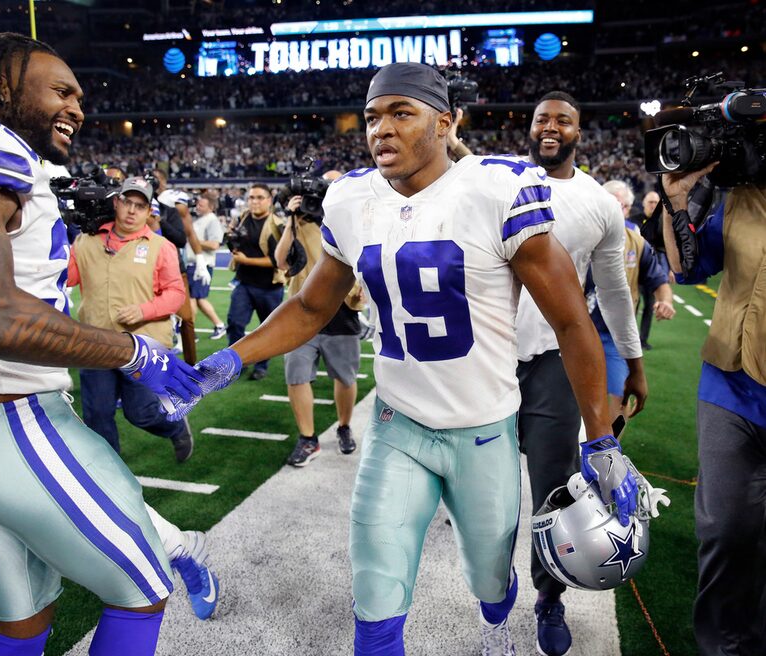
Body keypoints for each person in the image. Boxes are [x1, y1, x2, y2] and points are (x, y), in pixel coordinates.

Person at [189, 63, 639, 656]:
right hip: (397, 423)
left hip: (483, 428)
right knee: (375, 580)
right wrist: (228, 359)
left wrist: (600, 439)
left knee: (488, 575)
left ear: (445, 122)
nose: (382, 128)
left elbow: (572, 322)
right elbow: (311, 306)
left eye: (402, 113)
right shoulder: (352, 198)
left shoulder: (496, 189)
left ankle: (497, 626)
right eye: (373, 116)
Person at [0, 33, 214, 654]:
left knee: (20, 620)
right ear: (1, 87)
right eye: (61, 91)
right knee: (143, 587)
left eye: (80, 97)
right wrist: (133, 351)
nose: (78, 109)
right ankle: (185, 550)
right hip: (7, 418)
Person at [453, 93, 649, 655]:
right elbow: (459, 160)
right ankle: (495, 594)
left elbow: (614, 293)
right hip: (487, 359)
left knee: (554, 488)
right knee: (486, 494)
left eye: (563, 120)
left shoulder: (599, 203)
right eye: (542, 118)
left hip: (552, 363)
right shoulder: (498, 179)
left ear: (579, 132)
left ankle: (548, 598)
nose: (551, 127)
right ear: (531, 126)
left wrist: (634, 364)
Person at [660, 164, 766, 656]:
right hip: (730, 383)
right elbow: (688, 268)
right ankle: (722, 647)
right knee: (724, 530)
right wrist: (677, 201)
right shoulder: (743, 197)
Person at [68, 177, 195, 462]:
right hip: (95, 341)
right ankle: (109, 472)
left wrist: (144, 310)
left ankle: (175, 427)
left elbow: (176, 294)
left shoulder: (161, 246)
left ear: (149, 211)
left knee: (141, 412)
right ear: (116, 202)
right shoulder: (86, 241)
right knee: (97, 416)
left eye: (140, 205)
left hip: (142, 343)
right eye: (127, 202)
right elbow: (67, 277)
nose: (132, 211)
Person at [273, 172, 364, 466]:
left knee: (345, 377)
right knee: (296, 375)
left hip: (342, 310)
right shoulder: (300, 220)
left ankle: (344, 426)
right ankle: (308, 438)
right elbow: (280, 260)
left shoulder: (357, 218)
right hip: (302, 311)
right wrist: (292, 218)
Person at [599, 180, 675, 420]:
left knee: (618, 403)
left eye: (621, 206)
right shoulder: (580, 237)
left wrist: (666, 301)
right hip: (574, 332)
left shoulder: (636, 242)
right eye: (610, 204)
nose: (615, 211)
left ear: (627, 209)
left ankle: (609, 445)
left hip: (616, 336)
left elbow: (659, 281)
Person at [225, 182, 285, 381]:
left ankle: (261, 365)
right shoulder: (242, 218)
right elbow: (235, 244)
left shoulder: (277, 225)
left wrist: (246, 260)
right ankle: (237, 363)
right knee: (235, 323)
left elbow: (278, 260)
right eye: (251, 197)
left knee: (266, 330)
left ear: (269, 201)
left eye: (260, 197)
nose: (255, 201)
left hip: (269, 287)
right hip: (244, 283)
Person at [152, 168, 201, 364]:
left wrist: (160, 220)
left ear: (164, 182)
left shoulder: (169, 208)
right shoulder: (136, 208)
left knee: (186, 318)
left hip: (173, 267)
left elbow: (182, 238)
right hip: (145, 269)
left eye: (156, 180)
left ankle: (191, 365)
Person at [185, 191, 226, 340]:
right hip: (195, 264)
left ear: (211, 207)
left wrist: (193, 240)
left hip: (201, 265)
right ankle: (219, 325)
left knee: (192, 299)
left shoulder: (212, 221)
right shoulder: (202, 219)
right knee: (198, 299)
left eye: (201, 205)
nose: (198, 206)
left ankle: (190, 332)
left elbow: (215, 244)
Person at [632, 189, 669, 350]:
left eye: (656, 202)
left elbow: (665, 247)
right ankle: (630, 339)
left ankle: (643, 339)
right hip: (634, 270)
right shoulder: (633, 221)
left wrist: (670, 269)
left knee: (650, 306)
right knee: (633, 304)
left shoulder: (662, 222)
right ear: (644, 203)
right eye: (650, 202)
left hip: (650, 271)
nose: (653, 205)